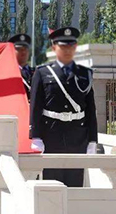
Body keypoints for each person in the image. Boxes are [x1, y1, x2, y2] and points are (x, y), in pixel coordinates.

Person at [29, 26, 98, 188]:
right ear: (54, 48)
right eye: (63, 46)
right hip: (51, 133)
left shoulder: (85, 74)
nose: (67, 50)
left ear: (75, 47)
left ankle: (73, 206)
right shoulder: (42, 73)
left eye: (71, 46)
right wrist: (36, 136)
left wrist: (92, 140)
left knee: (75, 180)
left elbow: (90, 109)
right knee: (52, 180)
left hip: (77, 134)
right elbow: (36, 106)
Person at [8, 33, 33, 101]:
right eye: (19, 49)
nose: (23, 52)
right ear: (12, 51)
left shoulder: (35, 72)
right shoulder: (8, 73)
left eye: (26, 49)